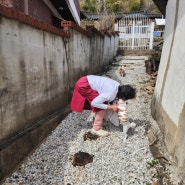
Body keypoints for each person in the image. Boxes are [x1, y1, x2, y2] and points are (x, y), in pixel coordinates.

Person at [70, 75, 136, 137]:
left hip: (85, 80)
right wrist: (110, 107)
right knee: (101, 106)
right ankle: (96, 129)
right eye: (125, 99)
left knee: (104, 103)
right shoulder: (110, 94)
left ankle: (100, 119)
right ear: (123, 96)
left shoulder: (117, 86)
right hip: (84, 85)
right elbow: (94, 103)